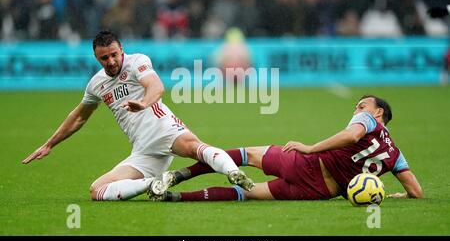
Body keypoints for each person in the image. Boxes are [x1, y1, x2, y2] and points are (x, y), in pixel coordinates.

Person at [22, 30, 254, 201]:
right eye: (104, 58)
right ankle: (154, 183)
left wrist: (143, 102)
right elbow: (79, 117)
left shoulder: (137, 62)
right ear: (96, 58)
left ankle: (233, 172)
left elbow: (156, 86)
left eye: (114, 54)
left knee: (195, 148)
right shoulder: (96, 84)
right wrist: (50, 144)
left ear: (121, 49)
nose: (111, 61)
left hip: (163, 128)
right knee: (97, 190)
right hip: (142, 149)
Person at [149, 95, 423, 202]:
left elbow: (350, 137)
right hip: (319, 191)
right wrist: (395, 195)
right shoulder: (396, 154)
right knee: (248, 193)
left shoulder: (367, 120)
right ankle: (175, 198)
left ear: (378, 114)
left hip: (309, 164)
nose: (357, 109)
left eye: (362, 105)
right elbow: (416, 191)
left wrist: (311, 147)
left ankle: (180, 174)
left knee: (245, 155)